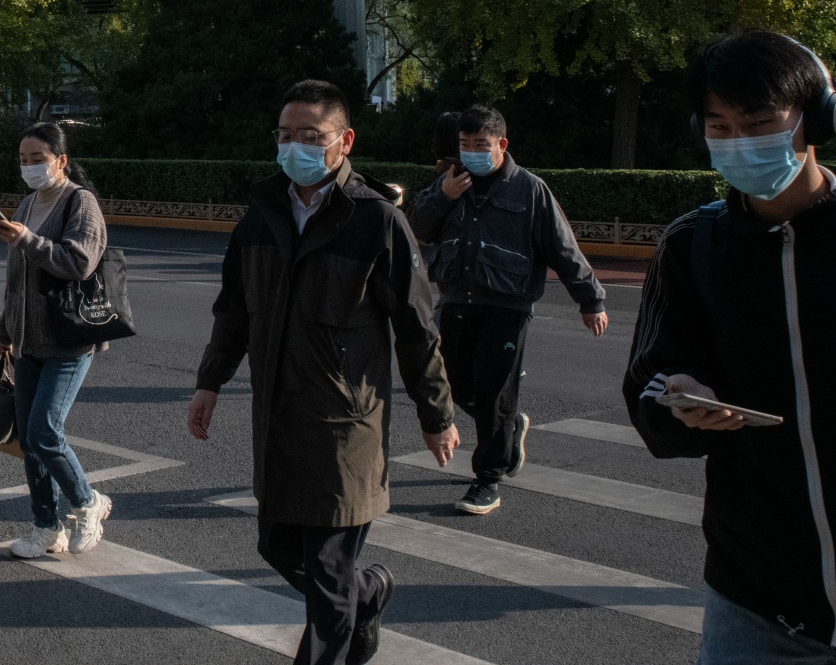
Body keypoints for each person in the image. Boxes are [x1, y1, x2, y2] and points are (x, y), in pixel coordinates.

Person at [624, 30, 836, 664]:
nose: (739, 142)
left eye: (758, 122)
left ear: (819, 120)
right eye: (719, 126)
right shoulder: (693, 246)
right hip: (753, 602)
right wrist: (679, 397)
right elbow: (652, 380)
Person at [188, 80, 459, 665]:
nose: (295, 147)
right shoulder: (262, 217)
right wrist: (210, 380)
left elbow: (416, 328)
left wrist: (437, 415)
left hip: (345, 427)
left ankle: (341, 621)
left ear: (344, 141)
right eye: (286, 136)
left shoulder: (376, 222)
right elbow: (233, 309)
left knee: (328, 573)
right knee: (278, 548)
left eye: (311, 136)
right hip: (279, 420)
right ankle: (370, 591)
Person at [410, 104, 608, 516]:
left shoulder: (529, 189)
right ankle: (511, 425)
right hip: (456, 301)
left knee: (494, 393)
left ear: (501, 144)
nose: (471, 153)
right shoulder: (448, 183)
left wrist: (590, 299)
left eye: (480, 145)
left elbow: (561, 246)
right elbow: (416, 230)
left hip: (507, 305)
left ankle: (487, 479)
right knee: (454, 386)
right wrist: (442, 198)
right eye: (464, 145)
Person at [0, 122, 112, 560]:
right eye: (23, 160)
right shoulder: (26, 203)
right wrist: (4, 333)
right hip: (26, 341)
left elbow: (78, 262)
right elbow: (17, 280)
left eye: (37, 159)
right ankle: (46, 528)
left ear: (61, 161)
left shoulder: (81, 203)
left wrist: (28, 239)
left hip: (68, 340)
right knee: (29, 438)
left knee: (44, 431)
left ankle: (87, 502)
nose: (29, 167)